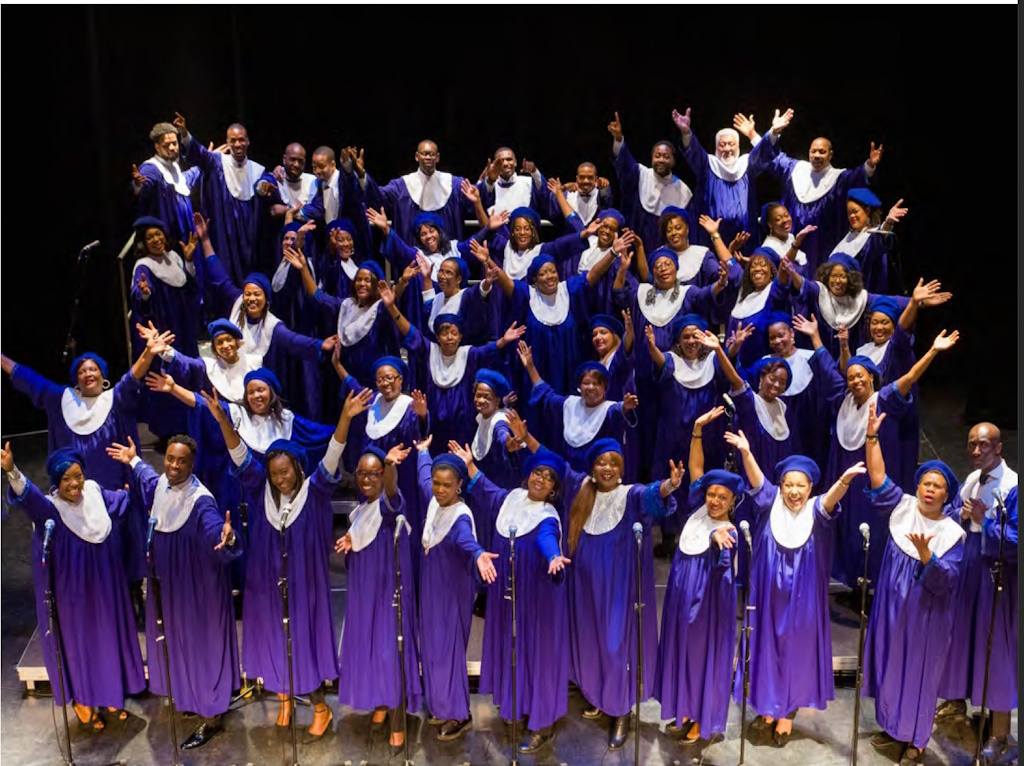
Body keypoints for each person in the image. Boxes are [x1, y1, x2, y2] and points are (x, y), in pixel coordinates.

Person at [207, 385, 369, 737]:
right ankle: (283, 702)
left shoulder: (316, 489)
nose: (280, 479)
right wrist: (222, 419)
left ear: (296, 467)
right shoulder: (258, 488)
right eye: (275, 473)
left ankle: (321, 709)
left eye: (286, 472)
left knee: (302, 644)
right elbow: (238, 454)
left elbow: (332, 452)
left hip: (302, 586)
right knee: (272, 640)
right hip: (265, 582)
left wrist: (345, 417)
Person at [3, 331, 174, 615]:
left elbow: (133, 377)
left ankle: (132, 594)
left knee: (122, 540)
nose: (87, 373)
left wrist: (149, 353)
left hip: (116, 487)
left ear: (103, 375)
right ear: (76, 379)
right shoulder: (62, 400)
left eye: (93, 368)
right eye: (82, 370)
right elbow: (30, 380)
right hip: (75, 491)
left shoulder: (115, 399)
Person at [726, 428, 864, 747]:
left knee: (793, 653)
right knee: (766, 648)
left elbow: (831, 500)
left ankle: (787, 711)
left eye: (800, 485)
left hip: (802, 602)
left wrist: (843, 482)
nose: (793, 491)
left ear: (810, 487)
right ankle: (768, 708)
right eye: (789, 485)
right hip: (766, 597)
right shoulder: (769, 501)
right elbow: (759, 480)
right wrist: (747, 453)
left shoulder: (817, 511)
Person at [106, 434, 241, 750]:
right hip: (168, 584)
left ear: (193, 465)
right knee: (177, 641)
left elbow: (212, 528)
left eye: (182, 461)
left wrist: (228, 538)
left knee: (202, 644)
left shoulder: (201, 500)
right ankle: (190, 695)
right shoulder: (161, 486)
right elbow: (149, 477)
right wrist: (133, 460)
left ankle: (212, 715)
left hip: (197, 588)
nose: (174, 466)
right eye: (170, 458)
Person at [2, 444, 146, 732]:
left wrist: (135, 484)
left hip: (107, 584)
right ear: (56, 482)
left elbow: (120, 500)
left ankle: (109, 694)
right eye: (66, 479)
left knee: (108, 636)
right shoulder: (51, 510)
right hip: (75, 593)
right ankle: (81, 700)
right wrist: (11, 471)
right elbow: (27, 497)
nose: (74, 484)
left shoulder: (93, 492)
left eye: (77, 476)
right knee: (82, 643)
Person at [861, 401, 966, 766]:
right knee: (891, 663)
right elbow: (877, 477)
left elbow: (948, 581)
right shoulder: (902, 507)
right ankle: (894, 728)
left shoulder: (952, 534)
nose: (929, 490)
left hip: (926, 618)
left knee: (919, 674)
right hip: (891, 608)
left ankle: (917, 742)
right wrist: (871, 435)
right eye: (925, 483)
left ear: (946, 494)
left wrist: (927, 557)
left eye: (937, 486)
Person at [558, 436, 679, 749]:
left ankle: (621, 710)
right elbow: (550, 460)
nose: (607, 468)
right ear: (593, 467)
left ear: (622, 468)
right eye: (601, 462)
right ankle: (601, 696)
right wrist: (526, 438)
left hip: (617, 590)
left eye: (613, 463)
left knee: (615, 648)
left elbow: (654, 494)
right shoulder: (582, 489)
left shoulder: (631, 495)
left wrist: (669, 485)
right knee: (591, 643)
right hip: (585, 588)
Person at [816, 326, 960, 588]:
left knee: (870, 532)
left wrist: (933, 351)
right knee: (846, 532)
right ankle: (852, 583)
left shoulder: (882, 399)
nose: (855, 381)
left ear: (872, 376)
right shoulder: (843, 400)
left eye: (860, 376)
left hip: (871, 483)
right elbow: (828, 368)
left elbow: (909, 377)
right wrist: (819, 337)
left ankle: (872, 586)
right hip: (845, 478)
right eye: (850, 377)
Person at [455, 443, 572, 754]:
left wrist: (553, 557)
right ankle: (518, 704)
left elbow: (548, 539)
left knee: (538, 654)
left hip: (537, 600)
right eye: (537, 473)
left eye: (548, 478)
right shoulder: (512, 499)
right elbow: (487, 490)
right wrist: (469, 466)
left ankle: (542, 724)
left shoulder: (548, 517)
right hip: (509, 597)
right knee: (514, 649)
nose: (541, 479)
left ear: (553, 489)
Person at [196, 211, 337, 421]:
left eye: (257, 294)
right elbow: (218, 274)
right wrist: (205, 240)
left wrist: (320, 345)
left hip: (254, 393)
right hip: (228, 379)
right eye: (248, 294)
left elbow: (294, 341)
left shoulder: (272, 325)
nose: (251, 299)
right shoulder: (237, 303)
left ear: (266, 299)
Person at [654, 427, 744, 745]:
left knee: (700, 661)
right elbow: (696, 471)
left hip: (704, 611)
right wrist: (696, 433)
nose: (715, 500)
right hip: (680, 602)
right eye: (711, 495)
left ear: (733, 500)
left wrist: (718, 541)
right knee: (684, 657)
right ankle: (687, 712)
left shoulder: (727, 531)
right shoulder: (697, 512)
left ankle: (702, 720)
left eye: (723, 497)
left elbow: (724, 581)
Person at [935, 422, 1018, 761]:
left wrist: (984, 521)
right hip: (967, 567)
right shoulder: (971, 480)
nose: (975, 451)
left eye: (983, 445)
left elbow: (1015, 541)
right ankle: (956, 700)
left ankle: (1000, 734)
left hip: (996, 575)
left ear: (998, 447)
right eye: (971, 444)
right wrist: (958, 514)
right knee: (961, 638)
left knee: (996, 649)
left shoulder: (1013, 486)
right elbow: (957, 514)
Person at [335, 442, 422, 755]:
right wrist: (350, 538)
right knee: (370, 648)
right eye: (362, 474)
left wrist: (392, 467)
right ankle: (380, 701)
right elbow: (361, 539)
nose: (367, 479)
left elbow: (392, 491)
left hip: (388, 591)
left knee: (389, 652)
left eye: (375, 474)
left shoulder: (390, 503)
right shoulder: (360, 510)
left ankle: (398, 721)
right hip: (363, 591)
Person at [614, 247, 730, 478]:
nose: (662, 269)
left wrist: (722, 282)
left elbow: (708, 295)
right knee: (649, 424)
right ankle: (650, 476)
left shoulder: (688, 293)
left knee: (674, 424)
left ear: (677, 268)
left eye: (667, 264)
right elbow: (619, 295)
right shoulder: (642, 293)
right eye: (657, 265)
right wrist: (623, 269)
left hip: (679, 372)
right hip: (647, 374)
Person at [412, 437, 499, 741]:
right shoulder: (433, 499)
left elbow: (465, 540)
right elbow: (423, 477)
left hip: (451, 594)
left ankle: (458, 713)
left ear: (459, 485)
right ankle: (439, 704)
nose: (439, 489)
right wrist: (422, 452)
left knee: (448, 652)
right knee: (433, 650)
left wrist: (478, 554)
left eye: (447, 485)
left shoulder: (461, 516)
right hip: (431, 590)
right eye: (438, 483)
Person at [380, 280, 524, 453]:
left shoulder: (468, 354)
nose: (449, 337)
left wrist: (503, 340)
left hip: (463, 424)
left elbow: (488, 350)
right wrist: (391, 307)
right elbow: (410, 331)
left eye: (454, 333)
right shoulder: (429, 351)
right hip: (434, 422)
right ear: (438, 337)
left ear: (460, 337)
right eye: (444, 333)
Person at [473, 239, 617, 403]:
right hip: (536, 370)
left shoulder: (569, 290)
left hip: (567, 369)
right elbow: (503, 279)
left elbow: (594, 274)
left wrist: (612, 252)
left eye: (552, 271)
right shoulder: (527, 294)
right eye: (543, 273)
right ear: (534, 279)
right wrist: (488, 260)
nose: (550, 277)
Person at [331, 351, 429, 554]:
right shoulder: (373, 401)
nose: (385, 383)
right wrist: (337, 364)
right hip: (371, 481)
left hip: (401, 483)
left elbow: (420, 434)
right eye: (380, 379)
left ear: (400, 379)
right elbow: (353, 385)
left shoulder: (408, 406)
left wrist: (422, 416)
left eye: (390, 378)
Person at [761, 122, 884, 274]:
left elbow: (857, 176)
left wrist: (870, 165)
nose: (817, 156)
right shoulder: (796, 169)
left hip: (822, 242)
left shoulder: (838, 178)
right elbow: (775, 159)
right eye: (813, 152)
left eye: (822, 152)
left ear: (830, 154)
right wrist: (766, 133)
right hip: (793, 238)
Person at [366, 200, 494, 345]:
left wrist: (489, 227)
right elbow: (400, 249)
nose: (428, 236)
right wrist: (386, 230)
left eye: (431, 231)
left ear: (439, 231)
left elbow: (474, 243)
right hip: (429, 323)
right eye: (423, 234)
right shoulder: (418, 256)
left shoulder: (455, 248)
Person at [671, 106, 789, 252]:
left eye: (731, 144)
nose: (727, 149)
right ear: (716, 147)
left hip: (745, 239)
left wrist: (774, 132)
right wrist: (686, 132)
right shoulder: (707, 165)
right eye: (722, 144)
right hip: (711, 240)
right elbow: (693, 151)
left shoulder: (747, 164)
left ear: (738, 146)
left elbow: (763, 153)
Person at [129, 214, 201, 441]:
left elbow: (190, 291)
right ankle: (170, 430)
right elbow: (140, 299)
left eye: (158, 234)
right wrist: (145, 294)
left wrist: (189, 261)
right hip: (163, 331)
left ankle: (192, 421)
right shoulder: (144, 266)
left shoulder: (174, 258)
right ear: (143, 242)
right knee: (167, 375)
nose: (156, 240)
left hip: (184, 328)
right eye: (149, 237)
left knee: (187, 370)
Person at [176, 112, 266, 285]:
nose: (238, 144)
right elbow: (199, 153)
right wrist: (184, 133)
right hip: (223, 235)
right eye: (233, 140)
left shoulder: (258, 171)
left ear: (248, 141)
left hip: (249, 239)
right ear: (227, 142)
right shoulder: (217, 162)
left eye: (241, 140)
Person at [517, 349, 638, 475]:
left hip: (597, 478)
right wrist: (530, 367)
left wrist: (626, 407)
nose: (591, 387)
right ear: (579, 387)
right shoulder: (569, 404)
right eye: (586, 383)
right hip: (568, 477)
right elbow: (546, 394)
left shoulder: (609, 410)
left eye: (596, 384)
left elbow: (619, 412)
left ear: (605, 388)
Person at [357, 138, 478, 246]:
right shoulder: (402, 186)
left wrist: (488, 182)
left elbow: (475, 199)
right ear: (416, 156)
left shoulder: (454, 184)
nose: (428, 157)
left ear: (438, 157)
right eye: (424, 154)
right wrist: (362, 175)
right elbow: (378, 198)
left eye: (432, 154)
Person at [607, 111, 693, 253]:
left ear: (673, 161)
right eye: (657, 156)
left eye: (666, 157)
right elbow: (624, 163)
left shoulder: (683, 191)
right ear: (652, 158)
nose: (661, 160)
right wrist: (618, 139)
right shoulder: (640, 174)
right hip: (635, 247)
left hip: (667, 253)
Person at [131, 121, 200, 248]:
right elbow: (144, 185)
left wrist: (206, 159)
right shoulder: (151, 168)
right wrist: (138, 184)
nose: (172, 148)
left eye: (174, 143)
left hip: (186, 234)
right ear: (157, 147)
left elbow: (187, 178)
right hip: (170, 237)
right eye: (166, 145)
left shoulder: (173, 166)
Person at [253, 143, 318, 275]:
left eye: (301, 161)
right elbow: (260, 185)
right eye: (292, 159)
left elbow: (316, 211)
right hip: (278, 247)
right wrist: (262, 186)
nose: (296, 164)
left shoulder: (312, 181)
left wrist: (287, 210)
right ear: (284, 159)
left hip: (305, 246)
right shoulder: (276, 178)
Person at [829, 188, 908, 294]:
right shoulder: (848, 238)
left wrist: (888, 221)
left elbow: (880, 237)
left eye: (855, 211)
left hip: (868, 301)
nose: (852, 216)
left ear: (867, 210)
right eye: (849, 213)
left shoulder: (871, 237)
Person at [478, 147, 552, 218]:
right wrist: (489, 180)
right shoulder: (489, 185)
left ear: (515, 162)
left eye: (509, 159)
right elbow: (478, 202)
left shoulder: (528, 182)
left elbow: (544, 197)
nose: (505, 163)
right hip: (496, 230)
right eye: (501, 161)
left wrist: (534, 172)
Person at [550, 162, 614, 229]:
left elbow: (608, 211)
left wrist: (604, 188)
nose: (586, 181)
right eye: (582, 177)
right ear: (576, 178)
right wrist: (559, 193)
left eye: (590, 177)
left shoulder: (602, 196)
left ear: (596, 179)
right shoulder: (567, 195)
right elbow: (554, 217)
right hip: (570, 237)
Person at [757, 202, 812, 277]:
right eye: (778, 219)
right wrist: (795, 245)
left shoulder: (790, 237)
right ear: (770, 224)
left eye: (787, 215)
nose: (785, 220)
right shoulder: (769, 249)